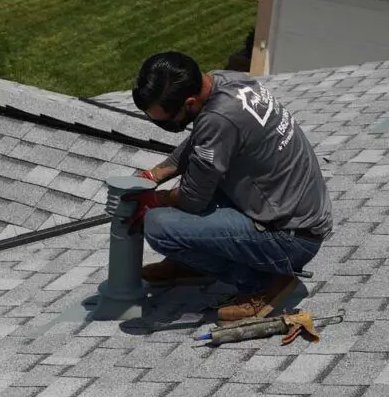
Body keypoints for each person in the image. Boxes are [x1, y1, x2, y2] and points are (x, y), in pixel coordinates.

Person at [125, 51, 333, 325]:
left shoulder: (219, 119)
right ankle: (194, 262)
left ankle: (261, 284)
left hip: (290, 239)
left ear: (189, 103)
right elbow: (199, 142)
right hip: (289, 210)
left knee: (159, 226)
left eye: (164, 121)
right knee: (201, 188)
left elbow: (191, 200)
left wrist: (154, 200)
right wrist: (152, 176)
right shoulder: (222, 82)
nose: (162, 126)